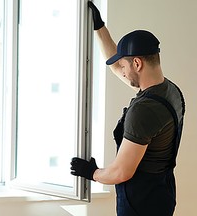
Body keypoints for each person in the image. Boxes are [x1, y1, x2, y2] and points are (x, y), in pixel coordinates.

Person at [70, 2, 185, 216]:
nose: (120, 70)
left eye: (124, 65)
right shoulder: (169, 90)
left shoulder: (145, 111)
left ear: (138, 64)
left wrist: (92, 173)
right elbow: (115, 66)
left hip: (141, 205)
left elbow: (121, 171)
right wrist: (99, 27)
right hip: (162, 194)